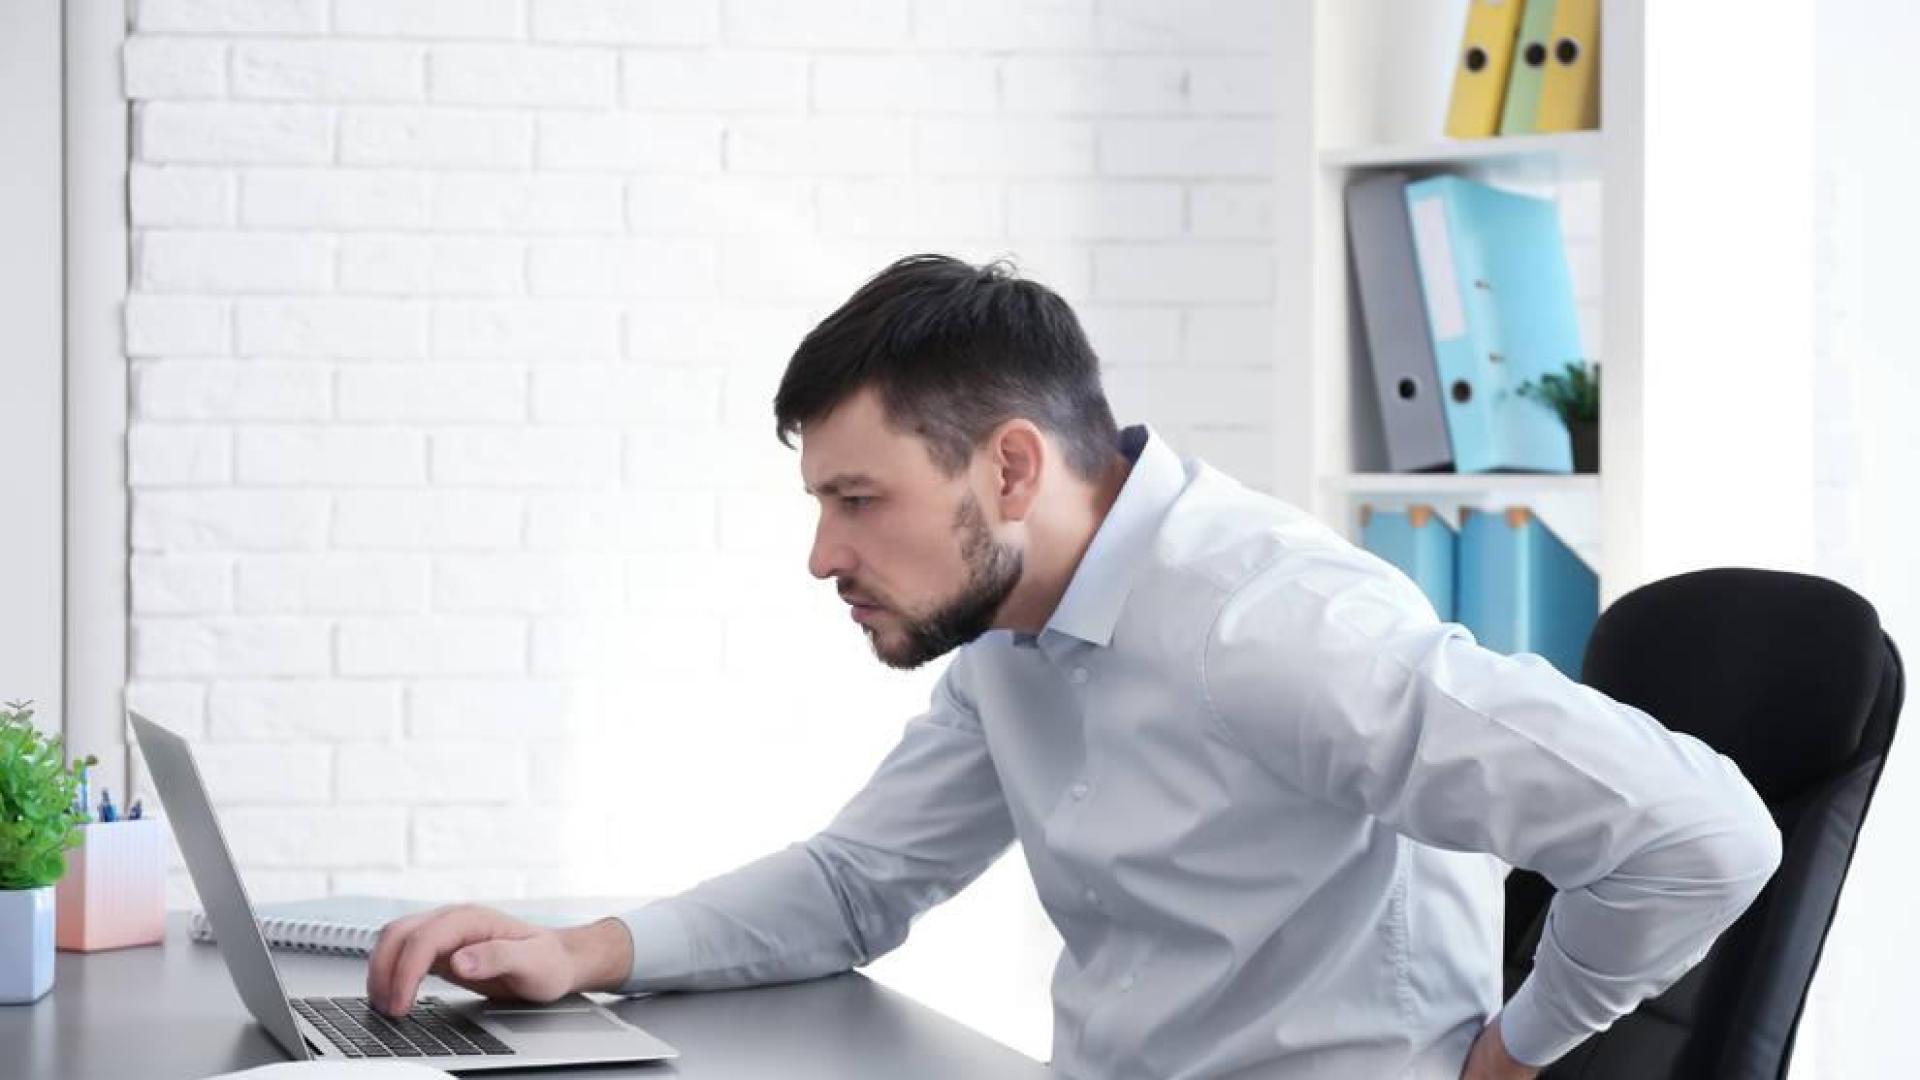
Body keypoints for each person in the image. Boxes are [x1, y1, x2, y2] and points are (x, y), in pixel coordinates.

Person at [367, 254, 1780, 1079]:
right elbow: (860, 883)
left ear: (1012, 466)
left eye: (857, 501)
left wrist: (1518, 1055)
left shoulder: (1275, 626)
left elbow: (1701, 833)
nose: (821, 556)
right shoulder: (1016, 634)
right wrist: (580, 955)